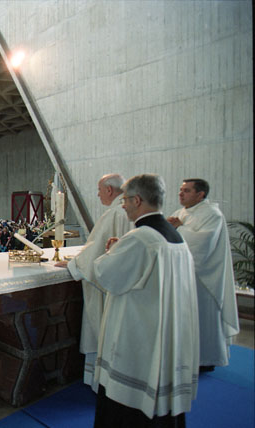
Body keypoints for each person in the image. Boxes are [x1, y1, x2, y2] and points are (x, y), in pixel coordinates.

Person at [85, 174, 199, 427]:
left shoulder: (141, 238)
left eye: (125, 200)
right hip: (167, 334)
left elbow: (106, 275)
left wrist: (111, 252)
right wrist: (120, 249)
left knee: (128, 410)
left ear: (137, 200)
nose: (123, 205)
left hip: (139, 340)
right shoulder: (175, 237)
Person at [55, 173, 132, 389]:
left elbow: (96, 251)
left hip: (108, 287)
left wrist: (74, 264)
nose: (98, 195)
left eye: (99, 190)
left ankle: (103, 381)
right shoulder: (128, 210)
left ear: (109, 190)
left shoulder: (115, 213)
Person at [166, 178, 239, 371]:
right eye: (181, 190)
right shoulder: (180, 213)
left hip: (205, 278)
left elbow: (203, 244)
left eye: (187, 191)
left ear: (200, 194)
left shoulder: (212, 214)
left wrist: (179, 228)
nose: (181, 194)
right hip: (183, 275)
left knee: (204, 319)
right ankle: (186, 357)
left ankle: (206, 360)